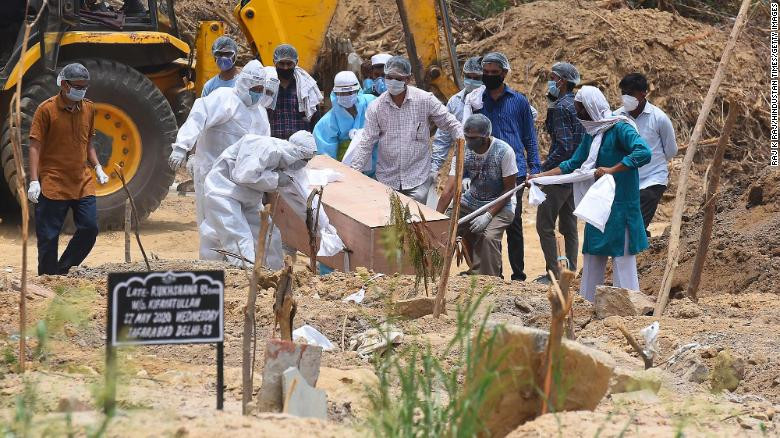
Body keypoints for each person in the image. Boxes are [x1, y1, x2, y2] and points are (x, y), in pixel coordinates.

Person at [528, 86, 651, 302]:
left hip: (621, 206)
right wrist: (540, 176)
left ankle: (629, 305)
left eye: (580, 110)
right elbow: (573, 164)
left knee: (622, 259)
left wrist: (612, 170)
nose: (578, 115)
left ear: (591, 108)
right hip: (599, 206)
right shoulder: (593, 133)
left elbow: (643, 152)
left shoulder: (621, 129)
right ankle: (588, 302)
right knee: (593, 255)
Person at [168, 60, 277, 258]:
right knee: (213, 225)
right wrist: (182, 147)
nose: (257, 93)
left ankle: (241, 266)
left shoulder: (260, 113)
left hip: (241, 179)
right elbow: (198, 117)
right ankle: (213, 267)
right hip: (212, 174)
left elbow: (264, 147)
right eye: (255, 88)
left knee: (240, 225)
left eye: (261, 89)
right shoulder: (225, 99)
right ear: (243, 83)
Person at [27, 63, 109, 275]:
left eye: (85, 87)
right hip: (53, 183)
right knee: (48, 237)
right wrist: (34, 180)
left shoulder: (89, 108)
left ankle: (63, 270)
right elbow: (35, 146)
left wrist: (98, 167)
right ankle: (47, 277)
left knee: (90, 228)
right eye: (78, 86)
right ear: (64, 85)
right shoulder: (46, 110)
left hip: (82, 181)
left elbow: (88, 142)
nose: (81, 91)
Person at [348, 56, 463, 203]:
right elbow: (367, 142)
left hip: (418, 178)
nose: (392, 81)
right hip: (387, 179)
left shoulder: (424, 100)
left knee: (417, 222)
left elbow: (450, 122)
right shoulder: (376, 107)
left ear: (408, 79)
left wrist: (462, 145)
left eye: (398, 78)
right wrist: (354, 171)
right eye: (389, 77)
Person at [468, 51, 541, 281]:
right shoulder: (477, 101)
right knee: (484, 220)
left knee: (513, 221)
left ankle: (518, 274)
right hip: (485, 169)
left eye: (494, 73)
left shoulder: (518, 101)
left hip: (514, 169)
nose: (489, 76)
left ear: (505, 74)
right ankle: (493, 273)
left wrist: (534, 168)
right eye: (486, 73)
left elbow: (529, 136)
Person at [200, 131, 318, 268]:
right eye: (305, 159)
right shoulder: (265, 148)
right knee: (238, 237)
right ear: (297, 152)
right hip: (223, 192)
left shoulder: (283, 158)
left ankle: (274, 274)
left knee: (270, 236)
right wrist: (276, 178)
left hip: (248, 197)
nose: (304, 164)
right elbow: (243, 175)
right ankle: (247, 276)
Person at [436, 114, 517, 277]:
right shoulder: (462, 149)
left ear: (485, 136)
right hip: (471, 201)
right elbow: (449, 190)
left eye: (473, 138)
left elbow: (509, 189)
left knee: (489, 237)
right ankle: (435, 274)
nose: (468, 141)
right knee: (445, 231)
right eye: (466, 136)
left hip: (500, 204)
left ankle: (488, 280)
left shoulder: (504, 152)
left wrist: (488, 215)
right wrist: (436, 219)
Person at [534, 62, 585, 283]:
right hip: (575, 172)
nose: (550, 82)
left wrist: (544, 170)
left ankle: (554, 273)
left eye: (553, 78)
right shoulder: (576, 104)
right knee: (568, 224)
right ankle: (570, 271)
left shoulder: (561, 108)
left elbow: (563, 146)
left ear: (562, 81)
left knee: (544, 224)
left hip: (560, 173)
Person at [616, 73, 677, 236]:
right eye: (624, 93)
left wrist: (651, 163)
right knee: (626, 226)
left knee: (634, 227)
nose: (626, 97)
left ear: (643, 93)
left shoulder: (659, 118)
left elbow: (671, 150)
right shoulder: (616, 117)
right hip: (625, 180)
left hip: (652, 179)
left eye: (630, 93)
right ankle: (642, 247)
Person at [431, 56, 483, 174]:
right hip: (461, 160)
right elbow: (443, 137)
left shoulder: (493, 100)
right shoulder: (455, 102)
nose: (472, 80)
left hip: (489, 161)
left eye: (477, 78)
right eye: (468, 77)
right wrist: (434, 168)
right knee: (450, 193)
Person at [313, 70, 376, 164]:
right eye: (342, 93)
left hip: (373, 165)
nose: (346, 96)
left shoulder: (371, 104)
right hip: (345, 168)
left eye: (350, 92)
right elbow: (326, 156)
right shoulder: (327, 122)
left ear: (357, 90)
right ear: (335, 93)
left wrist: (363, 134)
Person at [268, 44, 323, 139]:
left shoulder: (306, 88)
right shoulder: (267, 87)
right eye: (282, 63)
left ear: (296, 62)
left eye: (289, 64)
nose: (285, 68)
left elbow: (315, 119)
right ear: (274, 62)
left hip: (301, 145)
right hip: (274, 143)